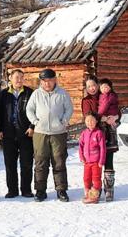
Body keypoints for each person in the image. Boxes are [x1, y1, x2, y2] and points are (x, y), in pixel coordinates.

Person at [26, 69, 73, 202]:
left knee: (59, 161)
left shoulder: (62, 93)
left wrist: (63, 121)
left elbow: (69, 109)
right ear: (41, 82)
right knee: (40, 162)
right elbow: (29, 109)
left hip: (58, 133)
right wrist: (35, 122)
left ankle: (61, 190)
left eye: (49, 81)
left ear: (55, 80)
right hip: (40, 133)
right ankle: (40, 191)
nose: (47, 84)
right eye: (44, 81)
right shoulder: (36, 94)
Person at [0, 69, 35, 198]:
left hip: (26, 133)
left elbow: (37, 111)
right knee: (10, 164)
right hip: (8, 134)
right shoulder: (3, 95)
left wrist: (32, 126)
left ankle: (26, 190)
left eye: (21, 77)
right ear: (10, 79)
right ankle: (12, 190)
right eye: (16, 77)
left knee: (26, 163)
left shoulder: (30, 93)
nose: (19, 79)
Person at [81, 76, 119, 201]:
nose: (92, 88)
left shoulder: (105, 93)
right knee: (94, 164)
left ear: (98, 85)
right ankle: (94, 190)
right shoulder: (86, 100)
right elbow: (88, 115)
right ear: (86, 88)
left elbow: (117, 109)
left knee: (108, 160)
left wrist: (115, 116)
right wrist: (103, 118)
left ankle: (109, 190)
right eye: (89, 86)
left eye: (93, 85)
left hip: (108, 133)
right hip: (94, 137)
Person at [79, 112, 106, 204]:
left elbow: (103, 148)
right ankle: (88, 194)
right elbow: (81, 146)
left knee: (96, 179)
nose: (90, 122)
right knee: (86, 178)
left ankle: (94, 196)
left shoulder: (99, 133)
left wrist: (101, 161)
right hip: (87, 162)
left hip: (96, 162)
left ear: (96, 121)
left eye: (92, 120)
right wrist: (81, 157)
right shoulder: (84, 133)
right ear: (85, 122)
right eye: (87, 120)